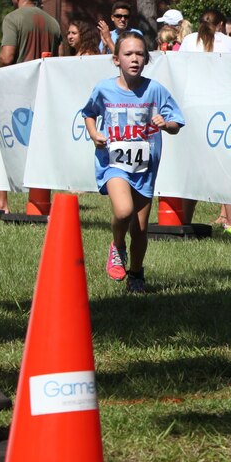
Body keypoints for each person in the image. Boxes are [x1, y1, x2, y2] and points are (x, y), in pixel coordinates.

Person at [81, 31, 184, 294]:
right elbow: (89, 113)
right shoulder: (105, 89)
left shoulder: (155, 90)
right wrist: (94, 135)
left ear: (147, 59)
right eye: (128, 54)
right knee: (124, 211)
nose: (134, 59)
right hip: (114, 163)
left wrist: (166, 123)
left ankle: (136, 275)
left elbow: (176, 123)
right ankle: (117, 246)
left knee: (139, 229)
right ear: (116, 59)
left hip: (145, 167)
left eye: (140, 54)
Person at [0, 0, 62, 213]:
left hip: (17, 91)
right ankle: (40, 200)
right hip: (44, 91)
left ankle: (2, 201)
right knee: (39, 147)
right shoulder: (53, 23)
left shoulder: (13, 19)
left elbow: (7, 56)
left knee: (4, 141)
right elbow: (59, 59)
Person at [178, 9, 231, 231]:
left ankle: (185, 220)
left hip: (194, 107)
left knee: (192, 168)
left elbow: (180, 71)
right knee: (227, 167)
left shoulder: (187, 41)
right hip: (225, 108)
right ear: (222, 24)